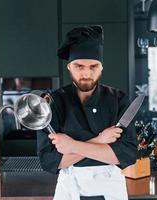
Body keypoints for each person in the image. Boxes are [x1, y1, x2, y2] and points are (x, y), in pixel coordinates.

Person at [37, 25, 138, 200]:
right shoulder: (53, 102)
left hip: (111, 188)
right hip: (70, 188)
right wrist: (100, 141)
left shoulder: (119, 100)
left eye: (93, 66)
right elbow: (51, 161)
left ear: (101, 67)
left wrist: (73, 146)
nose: (86, 73)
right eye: (79, 66)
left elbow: (127, 155)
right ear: (69, 66)